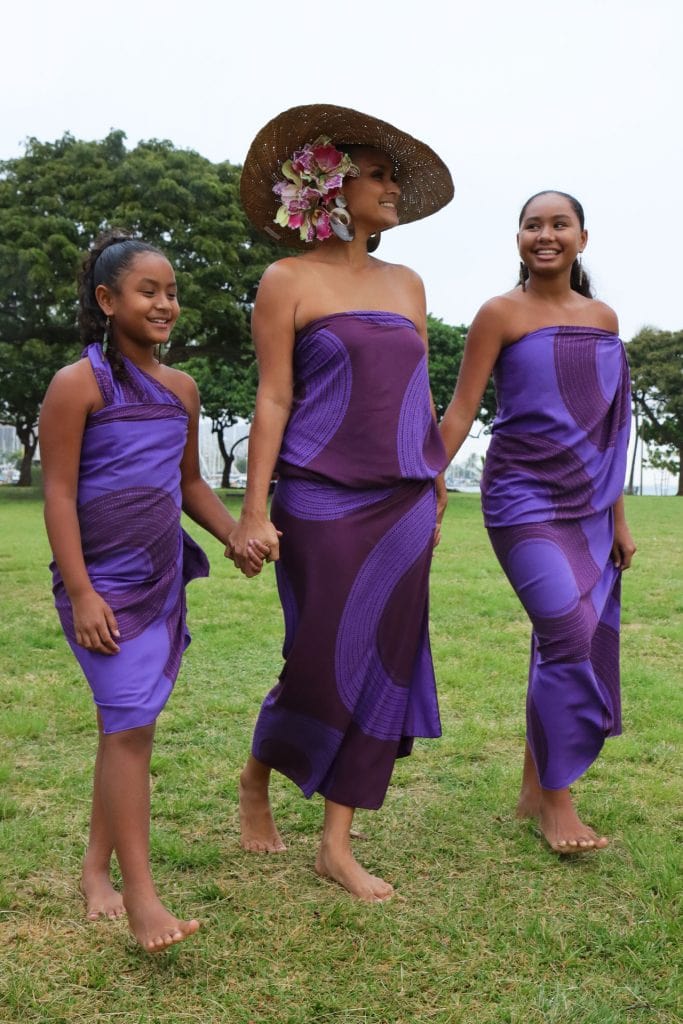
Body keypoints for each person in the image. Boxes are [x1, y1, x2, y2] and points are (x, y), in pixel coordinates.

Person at [229, 104, 454, 900]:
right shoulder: (287, 280)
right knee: (319, 656)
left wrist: (432, 478)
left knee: (382, 660)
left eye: (394, 177)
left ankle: (335, 842)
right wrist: (254, 511)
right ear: (330, 184)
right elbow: (274, 398)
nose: (392, 189)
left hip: (399, 500)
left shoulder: (406, 284)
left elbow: (416, 392)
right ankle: (258, 775)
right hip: (318, 497)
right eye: (379, 174)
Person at [39, 231, 265, 951]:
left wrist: (234, 535)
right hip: (101, 586)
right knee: (130, 725)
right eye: (148, 291)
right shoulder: (79, 384)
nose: (165, 303)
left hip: (160, 578)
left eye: (171, 292)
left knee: (127, 729)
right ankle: (141, 896)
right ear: (107, 301)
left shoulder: (181, 391)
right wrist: (79, 591)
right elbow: (59, 493)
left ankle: (94, 873)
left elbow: (189, 483)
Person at [440, 190, 635, 853]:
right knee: (566, 628)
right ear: (517, 238)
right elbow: (461, 412)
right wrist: (425, 478)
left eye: (558, 224)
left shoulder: (603, 318)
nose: (544, 234)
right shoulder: (499, 314)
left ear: (582, 238)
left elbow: (608, 431)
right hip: (520, 497)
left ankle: (531, 788)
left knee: (554, 638)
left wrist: (619, 519)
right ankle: (559, 803)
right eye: (532, 225)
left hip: (588, 505)